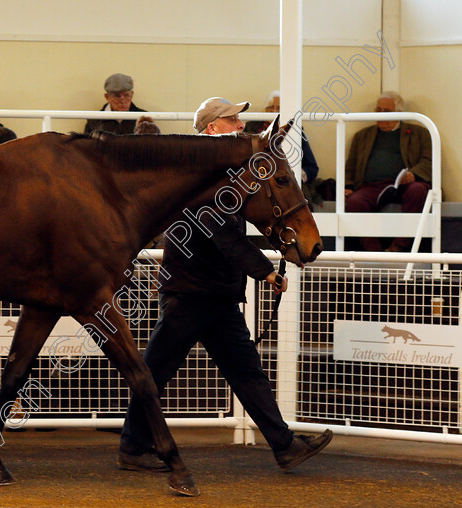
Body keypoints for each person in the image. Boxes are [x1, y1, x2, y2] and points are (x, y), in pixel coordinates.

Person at [118, 97, 332, 473]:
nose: (240, 125)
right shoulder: (197, 177)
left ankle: (284, 446)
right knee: (156, 371)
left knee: (244, 371)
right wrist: (264, 270)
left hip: (210, 295)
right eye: (232, 119)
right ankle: (133, 447)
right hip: (189, 294)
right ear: (213, 129)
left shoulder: (224, 176)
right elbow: (222, 235)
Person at [344, 91, 432, 252]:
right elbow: (351, 165)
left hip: (405, 184)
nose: (381, 115)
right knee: (354, 201)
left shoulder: (420, 133)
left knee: (418, 190)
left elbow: (429, 161)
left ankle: (399, 246)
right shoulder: (362, 136)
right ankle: (375, 253)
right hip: (372, 186)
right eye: (378, 110)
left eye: (387, 111)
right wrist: (348, 185)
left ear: (399, 113)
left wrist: (413, 174)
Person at [245, 90, 320, 186]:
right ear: (265, 109)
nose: (274, 111)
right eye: (271, 107)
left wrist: (300, 174)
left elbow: (312, 168)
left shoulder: (294, 130)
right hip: (256, 180)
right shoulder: (251, 127)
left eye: (279, 108)